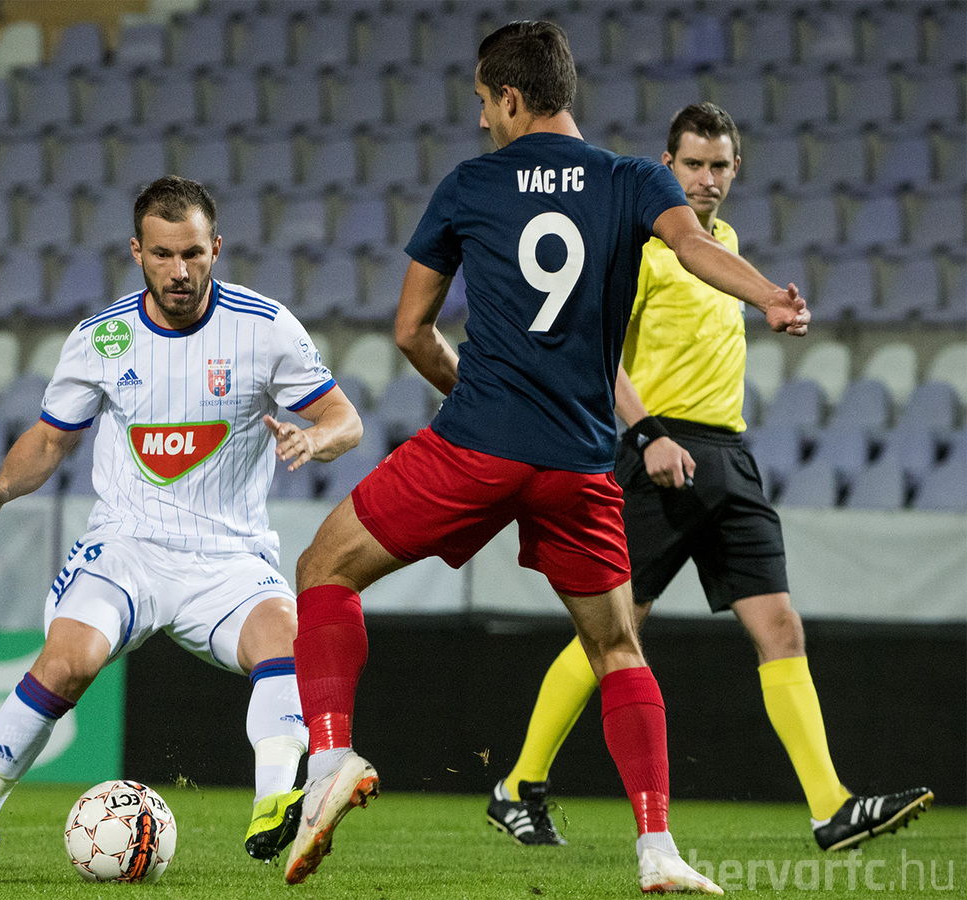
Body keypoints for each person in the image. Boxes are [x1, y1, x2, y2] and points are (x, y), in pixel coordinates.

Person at [281, 23, 811, 893]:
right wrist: (770, 299)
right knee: (618, 650)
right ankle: (657, 849)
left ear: (511, 97)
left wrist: (469, 391)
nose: (482, 118)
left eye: (484, 102)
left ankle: (330, 759)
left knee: (322, 568)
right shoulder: (634, 178)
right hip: (580, 464)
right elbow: (694, 248)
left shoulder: (470, 184)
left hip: (476, 445)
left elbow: (410, 330)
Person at [484, 102, 932, 852]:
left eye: (719, 165)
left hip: (730, 456)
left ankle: (831, 808)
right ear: (668, 165)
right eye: (692, 164)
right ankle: (518, 784)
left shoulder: (724, 247)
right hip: (658, 454)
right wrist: (647, 432)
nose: (706, 178)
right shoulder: (646, 249)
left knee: (780, 626)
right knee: (615, 630)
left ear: (735, 170)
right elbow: (595, 352)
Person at [0, 175, 363, 869]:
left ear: (216, 247)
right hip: (126, 546)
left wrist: (315, 439)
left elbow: (346, 418)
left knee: (285, 639)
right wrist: (0, 491)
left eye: (192, 253)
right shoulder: (101, 339)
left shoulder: (264, 328)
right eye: (163, 254)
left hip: (229, 556)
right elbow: (49, 440)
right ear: (137, 252)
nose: (179, 271)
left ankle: (273, 805)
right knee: (68, 663)